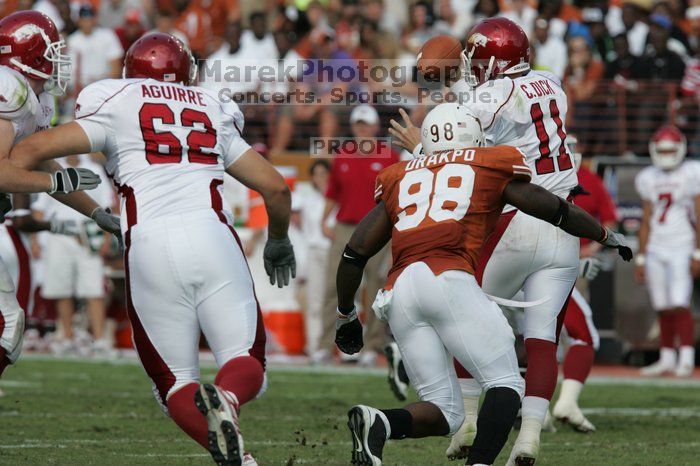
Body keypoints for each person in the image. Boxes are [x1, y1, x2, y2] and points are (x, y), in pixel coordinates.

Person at [9, 33, 296, 466]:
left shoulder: (116, 98)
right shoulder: (210, 106)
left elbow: (27, 151)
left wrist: (36, 181)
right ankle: (229, 398)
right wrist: (277, 239)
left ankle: (243, 458)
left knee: (175, 383)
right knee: (244, 357)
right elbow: (275, 188)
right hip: (213, 234)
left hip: (148, 242)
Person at [335, 103, 632, 466]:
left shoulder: (399, 174)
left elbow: (354, 253)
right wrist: (603, 233)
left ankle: (377, 421)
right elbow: (554, 209)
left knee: (447, 412)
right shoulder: (489, 163)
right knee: (507, 384)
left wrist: (347, 313)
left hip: (400, 292)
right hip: (448, 277)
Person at [388, 17, 597, 465]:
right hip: (563, 225)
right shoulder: (551, 82)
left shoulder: (490, 96)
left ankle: (465, 419)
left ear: (489, 59)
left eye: (474, 56)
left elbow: (458, 154)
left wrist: (418, 146)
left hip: (518, 217)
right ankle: (528, 440)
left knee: (465, 315)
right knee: (542, 339)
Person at [0, 10, 120, 380]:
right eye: (51, 51)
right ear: (28, 54)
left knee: (8, 328)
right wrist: (53, 185)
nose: (57, 60)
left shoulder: (35, 98)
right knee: (7, 324)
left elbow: (45, 166)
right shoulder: (11, 89)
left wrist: (97, 213)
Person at [316, 104, 399, 366]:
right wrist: (323, 219)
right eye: (358, 125)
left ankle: (372, 346)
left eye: (366, 125)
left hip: (377, 228)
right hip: (346, 227)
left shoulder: (390, 156)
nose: (362, 129)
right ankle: (326, 346)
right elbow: (333, 192)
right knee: (335, 286)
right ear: (354, 127)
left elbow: (397, 193)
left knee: (376, 286)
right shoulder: (343, 155)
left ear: (374, 127)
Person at [635, 125, 699, 378]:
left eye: (671, 150)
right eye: (662, 150)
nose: (666, 154)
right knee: (661, 305)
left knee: (680, 303)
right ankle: (667, 358)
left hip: (682, 245)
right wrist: (640, 257)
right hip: (656, 246)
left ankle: (686, 357)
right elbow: (646, 218)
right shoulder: (648, 176)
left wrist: (697, 253)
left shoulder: (692, 173)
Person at [291, 160, 331, 357]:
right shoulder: (306, 197)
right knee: (315, 301)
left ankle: (346, 347)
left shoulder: (337, 196)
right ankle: (315, 345)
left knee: (344, 301)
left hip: (335, 251)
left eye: (324, 174)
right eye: (317, 174)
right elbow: (294, 217)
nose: (321, 178)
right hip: (315, 250)